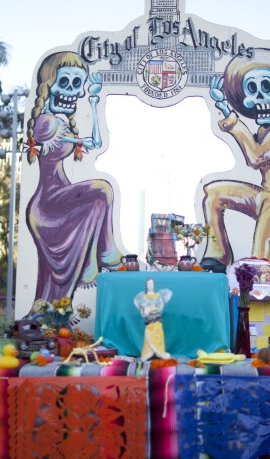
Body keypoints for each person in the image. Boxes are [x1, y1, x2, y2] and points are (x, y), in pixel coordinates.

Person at [26, 51, 123, 300]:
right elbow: (44, 140)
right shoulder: (46, 122)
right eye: (65, 82)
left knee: (101, 193)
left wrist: (93, 102)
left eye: (77, 84)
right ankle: (105, 257)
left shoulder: (62, 123)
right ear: (49, 84)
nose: (73, 92)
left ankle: (96, 260)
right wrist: (52, 140)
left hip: (60, 193)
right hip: (48, 202)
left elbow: (95, 141)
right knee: (102, 189)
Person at [200, 39, 270, 271]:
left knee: (259, 270)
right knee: (213, 193)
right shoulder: (264, 130)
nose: (260, 99)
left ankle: (255, 305)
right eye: (252, 90)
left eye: (267, 87)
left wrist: (233, 122)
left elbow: (255, 158)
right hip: (263, 196)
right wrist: (225, 108)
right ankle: (218, 254)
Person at [133, 278, 172, 361]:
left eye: (151, 283)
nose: (149, 285)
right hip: (149, 324)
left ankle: (160, 353)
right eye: (148, 284)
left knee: (158, 337)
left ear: (154, 285)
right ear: (146, 285)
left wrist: (150, 309)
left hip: (157, 323)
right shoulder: (143, 297)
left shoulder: (158, 296)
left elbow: (160, 308)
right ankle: (148, 354)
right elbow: (142, 311)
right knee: (148, 340)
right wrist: (145, 312)